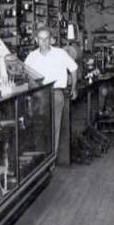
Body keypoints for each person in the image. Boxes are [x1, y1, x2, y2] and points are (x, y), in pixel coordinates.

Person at [24, 25, 78, 160]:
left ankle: (51, 162)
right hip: (37, 96)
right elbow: (24, 74)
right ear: (36, 40)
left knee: (54, 128)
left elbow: (74, 68)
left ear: (51, 40)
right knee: (39, 128)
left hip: (55, 94)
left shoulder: (60, 53)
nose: (44, 42)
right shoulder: (31, 56)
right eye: (41, 39)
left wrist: (74, 88)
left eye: (46, 39)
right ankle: (40, 161)